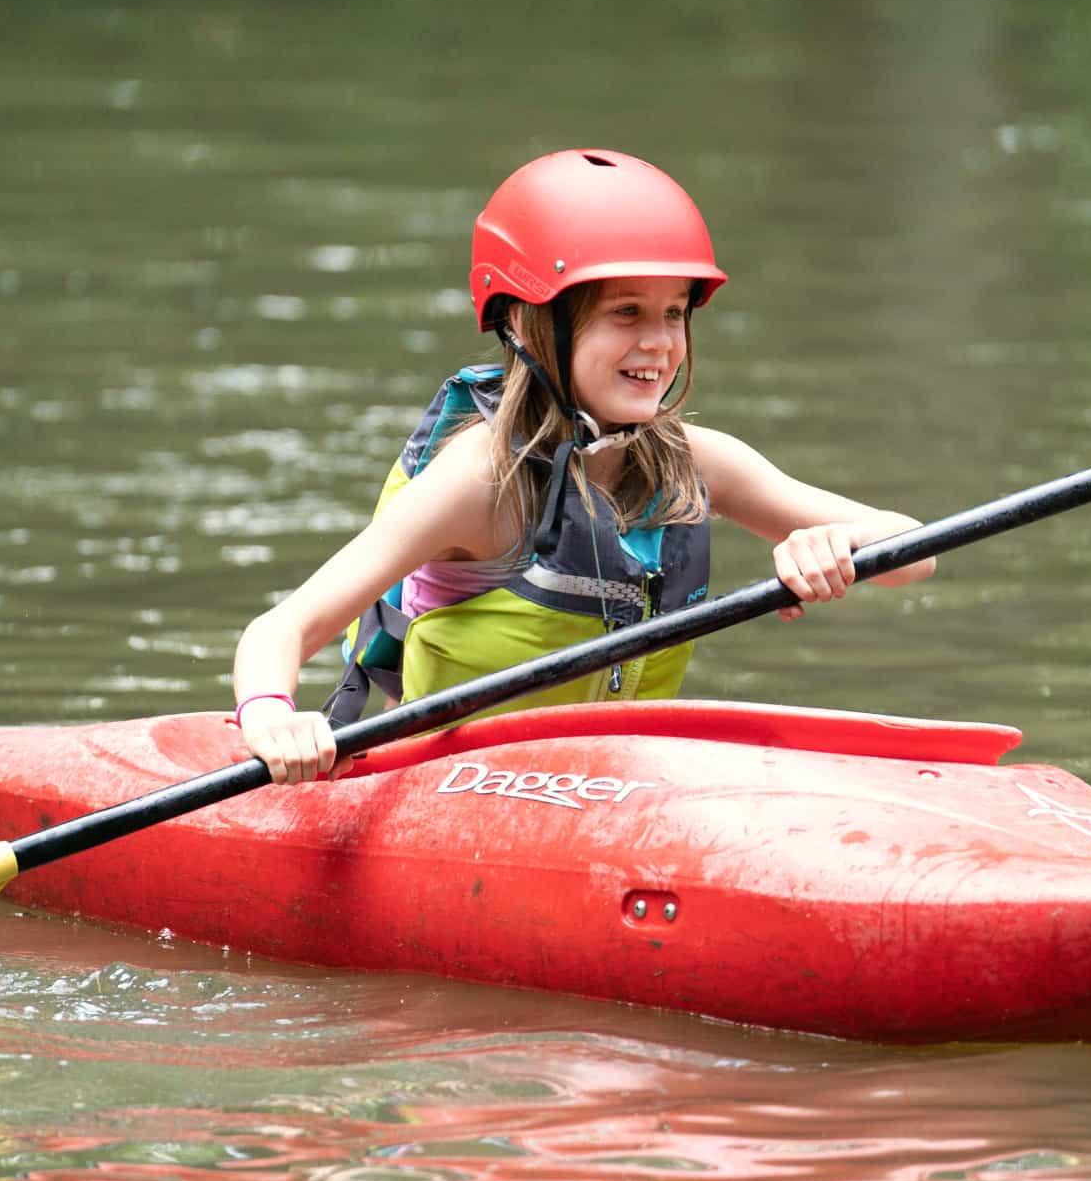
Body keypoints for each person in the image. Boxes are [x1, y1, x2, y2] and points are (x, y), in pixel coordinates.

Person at [232, 148, 934, 785]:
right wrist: (272, 718)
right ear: (535, 324)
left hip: (614, 790)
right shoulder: (481, 482)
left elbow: (913, 554)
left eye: (674, 312)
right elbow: (281, 630)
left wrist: (838, 544)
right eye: (625, 312)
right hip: (451, 793)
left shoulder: (696, 465)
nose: (659, 344)